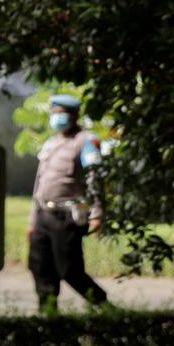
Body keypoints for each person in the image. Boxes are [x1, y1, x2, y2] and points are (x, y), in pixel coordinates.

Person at [30, 93, 111, 311]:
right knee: (40, 267)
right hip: (42, 216)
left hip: (65, 217)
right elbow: (39, 184)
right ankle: (47, 316)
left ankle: (106, 308)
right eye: (53, 113)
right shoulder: (51, 143)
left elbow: (95, 178)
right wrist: (32, 221)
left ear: (74, 115)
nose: (56, 118)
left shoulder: (86, 141)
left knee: (70, 270)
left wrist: (97, 215)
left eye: (61, 114)